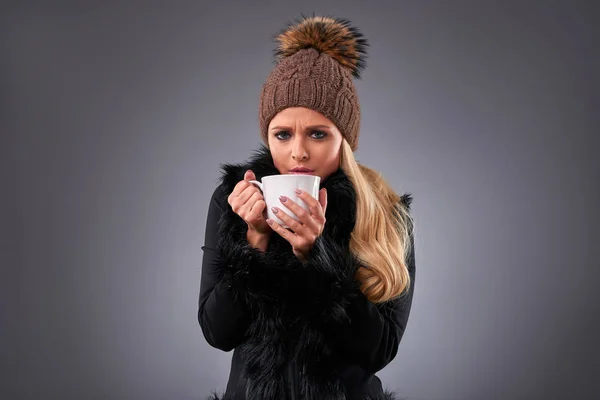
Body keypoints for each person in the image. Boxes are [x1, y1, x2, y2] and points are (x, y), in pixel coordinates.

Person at [198, 15, 416, 400]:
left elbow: (378, 351)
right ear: (268, 137)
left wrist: (318, 255)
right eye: (283, 134)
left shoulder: (384, 213)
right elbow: (218, 333)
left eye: (318, 133)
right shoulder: (234, 200)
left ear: (344, 139)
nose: (298, 151)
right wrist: (255, 241)